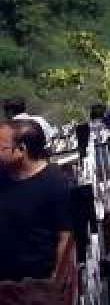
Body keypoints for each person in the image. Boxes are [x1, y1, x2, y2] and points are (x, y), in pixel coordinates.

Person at [0, 120, 75, 299]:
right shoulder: (2, 179)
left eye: (1, 148)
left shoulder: (55, 182)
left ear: (21, 150)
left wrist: (55, 283)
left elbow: (65, 236)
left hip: (36, 287)